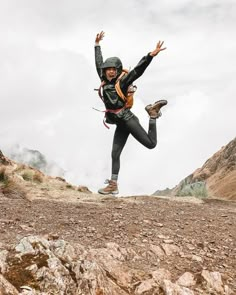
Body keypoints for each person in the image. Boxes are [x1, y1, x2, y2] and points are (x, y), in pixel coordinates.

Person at [95, 31, 167, 195]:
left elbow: (137, 71)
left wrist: (150, 56)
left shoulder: (123, 82)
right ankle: (113, 185)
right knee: (115, 154)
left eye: (114, 69)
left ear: (118, 70)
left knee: (151, 144)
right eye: (108, 69)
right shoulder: (103, 81)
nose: (111, 72)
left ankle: (153, 114)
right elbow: (98, 62)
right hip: (119, 123)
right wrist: (97, 45)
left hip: (127, 119)